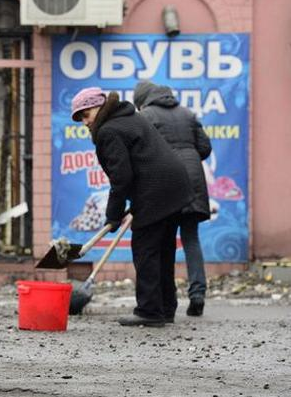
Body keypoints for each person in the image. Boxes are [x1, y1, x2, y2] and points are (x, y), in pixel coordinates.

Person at [71, 87, 193, 327]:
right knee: (163, 251)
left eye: (86, 114)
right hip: (175, 186)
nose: (85, 122)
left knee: (145, 250)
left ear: (99, 106)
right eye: (80, 118)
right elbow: (139, 167)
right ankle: (165, 308)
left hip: (157, 190)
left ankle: (149, 311)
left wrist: (113, 216)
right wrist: (131, 206)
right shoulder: (130, 117)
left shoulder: (109, 131)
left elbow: (122, 177)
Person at [134, 80, 212, 317]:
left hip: (166, 180)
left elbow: (143, 150)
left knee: (163, 242)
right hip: (194, 178)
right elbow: (205, 148)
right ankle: (197, 293)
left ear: (142, 101)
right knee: (191, 238)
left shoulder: (146, 115)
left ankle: (166, 301)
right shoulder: (187, 113)